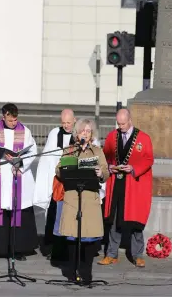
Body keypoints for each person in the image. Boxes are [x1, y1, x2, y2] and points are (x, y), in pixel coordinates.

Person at [0, 103, 38, 261]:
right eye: (10, 120)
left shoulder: (24, 131)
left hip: (16, 173)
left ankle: (17, 249)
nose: (14, 123)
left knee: (17, 210)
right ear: (3, 116)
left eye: (15, 120)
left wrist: (20, 161)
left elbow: (32, 150)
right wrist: (3, 153)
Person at [55, 118, 109, 284]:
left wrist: (101, 173)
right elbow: (58, 170)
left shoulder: (97, 151)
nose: (85, 133)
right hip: (73, 198)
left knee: (88, 240)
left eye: (88, 131)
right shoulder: (69, 150)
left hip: (89, 199)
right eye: (82, 131)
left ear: (92, 134)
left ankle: (86, 273)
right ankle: (72, 272)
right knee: (72, 238)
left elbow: (106, 172)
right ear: (76, 134)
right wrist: (62, 169)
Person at [98, 108, 154, 268]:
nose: (120, 126)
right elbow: (105, 156)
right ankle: (111, 254)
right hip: (117, 183)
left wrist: (134, 168)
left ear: (130, 120)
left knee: (135, 222)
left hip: (133, 186)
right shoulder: (112, 136)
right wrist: (110, 167)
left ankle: (137, 255)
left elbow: (149, 159)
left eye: (123, 123)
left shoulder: (143, 138)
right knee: (114, 221)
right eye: (118, 123)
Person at [33, 108, 76, 261]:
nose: (66, 126)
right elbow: (47, 159)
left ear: (74, 121)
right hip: (56, 182)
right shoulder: (54, 133)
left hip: (73, 183)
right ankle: (51, 248)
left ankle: (70, 249)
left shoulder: (80, 134)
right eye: (63, 123)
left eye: (69, 123)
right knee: (53, 216)